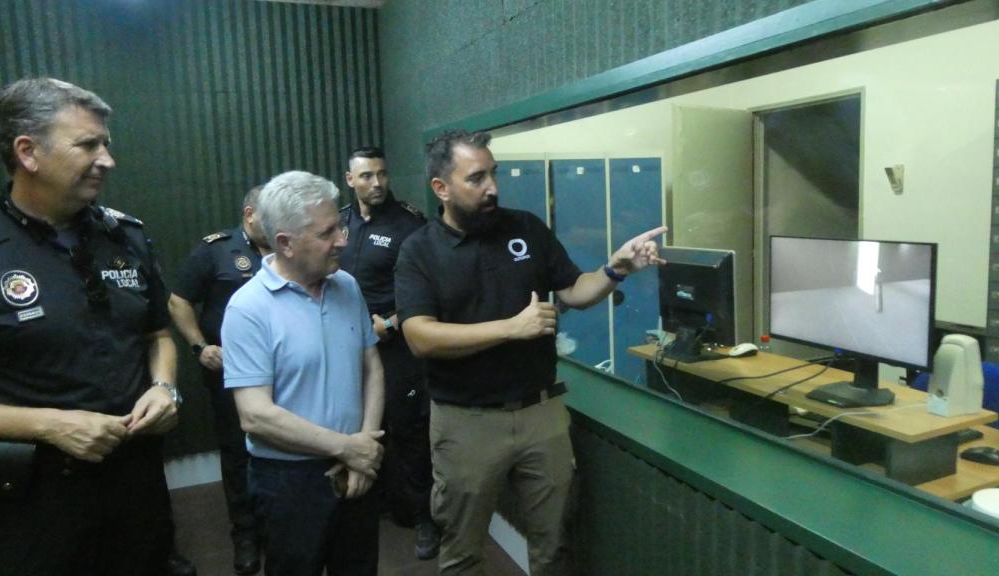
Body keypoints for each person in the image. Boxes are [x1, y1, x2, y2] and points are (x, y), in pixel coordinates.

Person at [395, 130, 666, 575]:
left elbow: (575, 291)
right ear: (441, 188)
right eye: (476, 178)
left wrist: (615, 268)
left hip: (541, 413)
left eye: (493, 174)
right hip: (467, 421)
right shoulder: (419, 251)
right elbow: (420, 336)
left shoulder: (525, 227)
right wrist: (511, 328)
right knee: (462, 551)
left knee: (554, 544)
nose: (493, 188)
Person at [0, 78, 180, 575]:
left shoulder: (126, 236)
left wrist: (164, 387)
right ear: (28, 152)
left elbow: (157, 336)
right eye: (88, 144)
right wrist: (50, 425)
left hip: (136, 482)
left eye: (106, 144)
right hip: (34, 498)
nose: (107, 160)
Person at [222, 170, 386, 576]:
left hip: (358, 468)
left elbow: (373, 368)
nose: (342, 241)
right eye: (328, 233)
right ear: (285, 244)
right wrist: (346, 448)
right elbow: (255, 416)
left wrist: (362, 446)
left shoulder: (346, 285)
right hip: (290, 483)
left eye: (340, 227)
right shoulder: (248, 309)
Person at [338, 146, 439, 559]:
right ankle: (376, 502)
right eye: (366, 176)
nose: (376, 183)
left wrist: (392, 323)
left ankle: (424, 517)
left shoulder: (410, 224)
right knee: (363, 424)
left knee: (409, 431)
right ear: (350, 180)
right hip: (348, 346)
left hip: (395, 344)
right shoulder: (340, 223)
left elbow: (429, 287)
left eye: (381, 174)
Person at [169, 185, 270, 575]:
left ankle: (277, 522)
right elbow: (178, 301)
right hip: (231, 372)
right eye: (269, 215)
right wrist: (199, 347)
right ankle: (245, 533)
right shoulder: (216, 249)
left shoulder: (287, 247)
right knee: (237, 450)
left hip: (281, 370)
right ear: (249, 214)